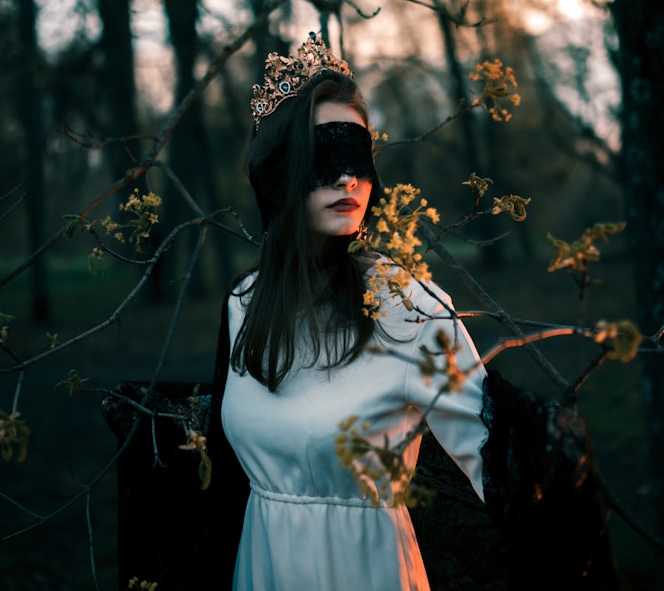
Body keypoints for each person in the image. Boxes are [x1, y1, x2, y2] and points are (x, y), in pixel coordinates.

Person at [207, 31, 491, 591]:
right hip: (261, 566)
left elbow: (501, 464)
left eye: (357, 156)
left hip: (369, 569)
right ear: (279, 172)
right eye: (324, 157)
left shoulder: (409, 308)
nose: (347, 178)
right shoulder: (244, 303)